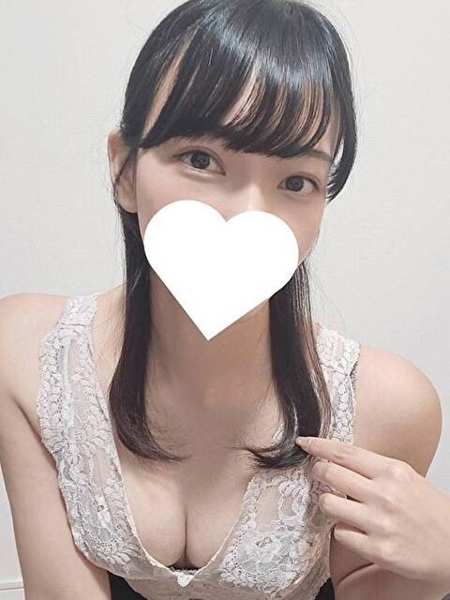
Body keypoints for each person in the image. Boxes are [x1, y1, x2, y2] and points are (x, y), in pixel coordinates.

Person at [0, 0, 449, 599]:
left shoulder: (388, 406)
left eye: (296, 181)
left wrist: (439, 571)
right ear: (124, 169)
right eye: (201, 160)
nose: (248, 214)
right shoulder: (28, 355)